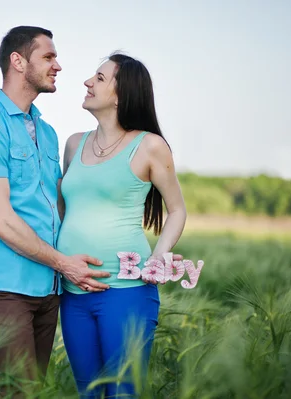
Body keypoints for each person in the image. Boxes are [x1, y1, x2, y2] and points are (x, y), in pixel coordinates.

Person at [0, 26, 111, 397]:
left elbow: (58, 207)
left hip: (49, 288)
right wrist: (64, 263)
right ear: (18, 61)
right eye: (49, 57)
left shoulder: (48, 132)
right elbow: (0, 220)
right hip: (6, 288)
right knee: (18, 393)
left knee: (33, 391)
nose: (58, 65)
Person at [56, 52, 187, 398]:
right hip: (74, 293)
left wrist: (160, 255)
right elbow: (63, 210)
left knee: (123, 393)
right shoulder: (73, 144)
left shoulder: (150, 146)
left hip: (126, 293)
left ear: (121, 93)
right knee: (88, 393)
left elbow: (176, 210)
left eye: (99, 78)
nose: (87, 82)